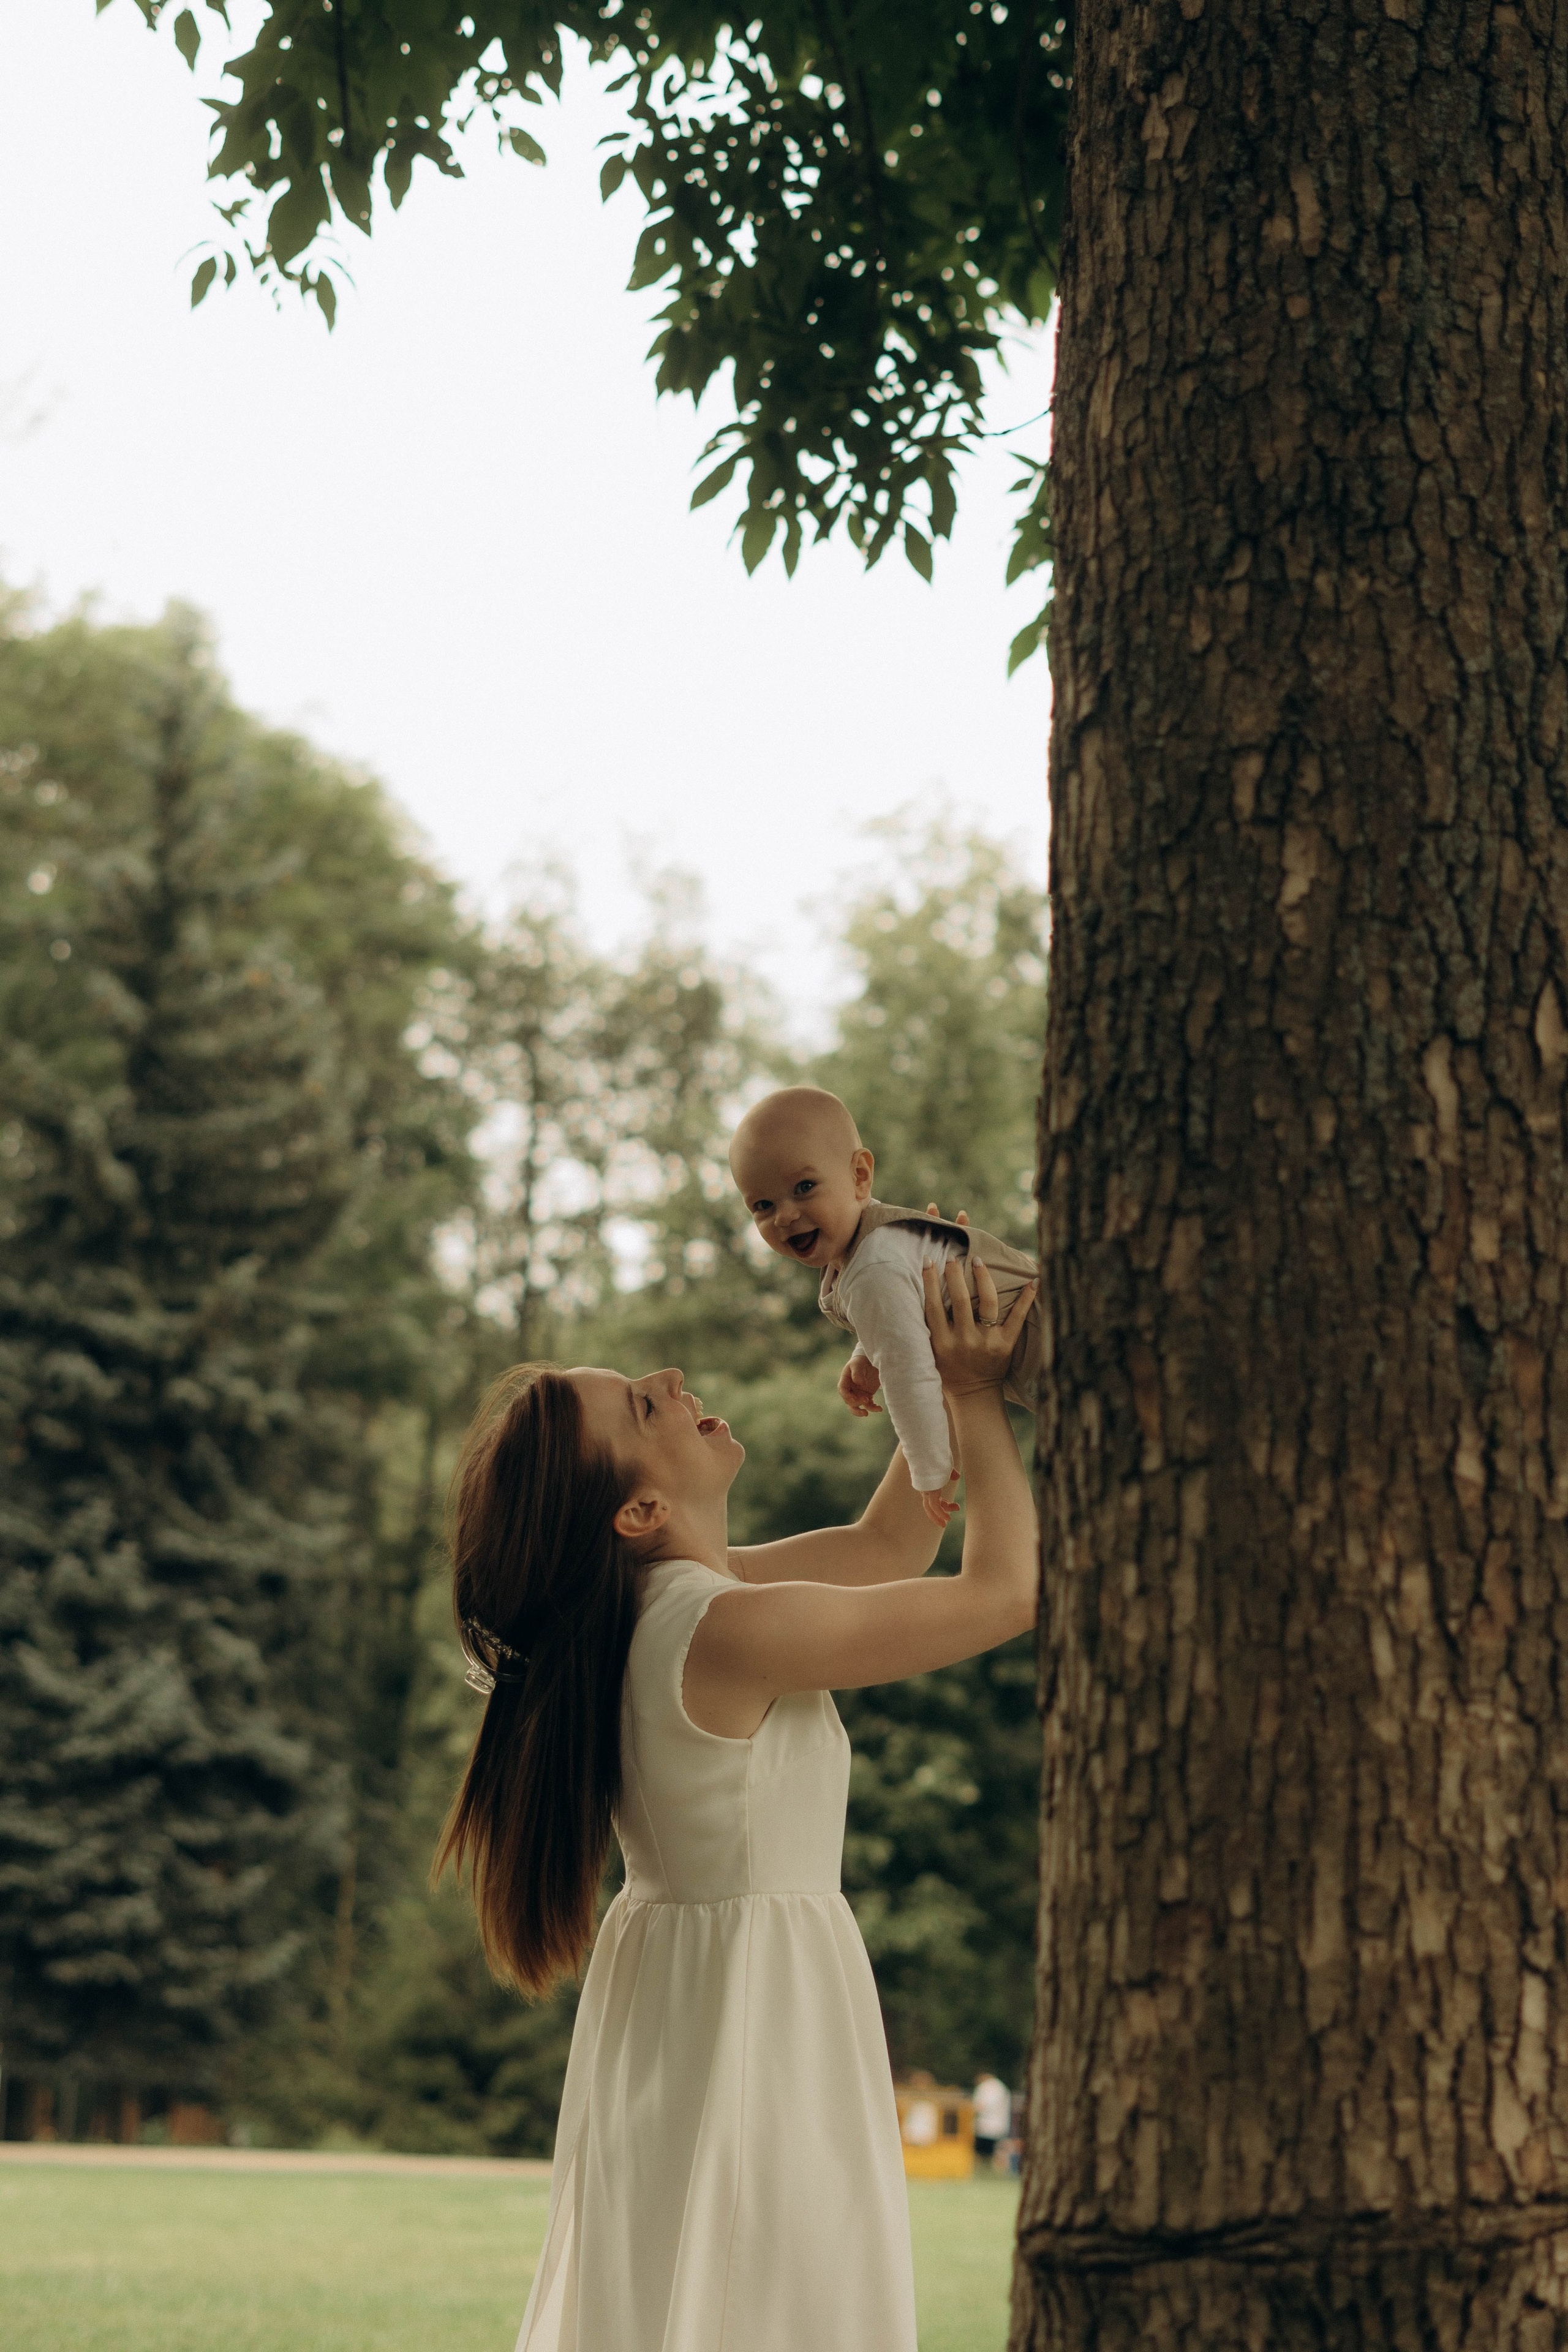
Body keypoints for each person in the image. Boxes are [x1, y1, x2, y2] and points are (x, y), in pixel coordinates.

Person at [435, 1259, 1038, 2352]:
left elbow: (886, 1547)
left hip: (693, 1995)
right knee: (769, 2293)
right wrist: (981, 1394)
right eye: (638, 1404)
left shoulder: (656, 1611)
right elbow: (1002, 1595)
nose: (667, 1377)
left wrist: (924, 1363)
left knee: (701, 2291)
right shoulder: (718, 1629)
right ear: (641, 1508)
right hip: (757, 2005)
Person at [728, 1086, 1041, 1528]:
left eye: (804, 1187)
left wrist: (930, 1471)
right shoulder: (874, 1249)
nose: (784, 1216)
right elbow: (899, 1318)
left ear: (860, 1176)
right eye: (762, 1205)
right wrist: (865, 1356)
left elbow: (908, 1371)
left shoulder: (873, 1266)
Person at [972, 2070, 1012, 2169]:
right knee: (998, 2152)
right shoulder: (1001, 2087)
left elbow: (980, 2106)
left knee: (982, 2153)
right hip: (1000, 2126)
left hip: (985, 2126)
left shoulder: (987, 2087)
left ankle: (982, 2170)